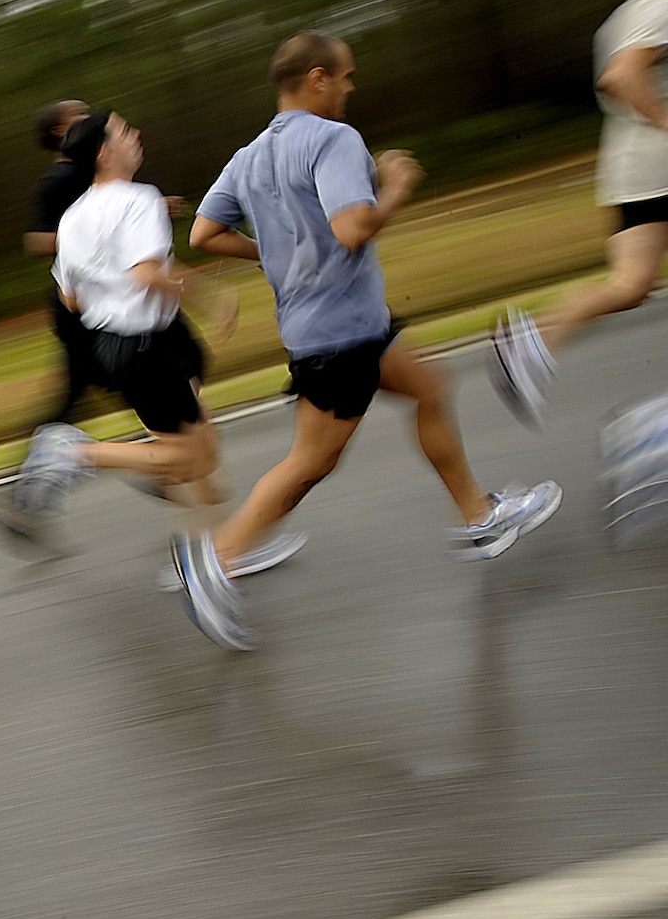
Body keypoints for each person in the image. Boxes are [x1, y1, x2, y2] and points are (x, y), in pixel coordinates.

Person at [187, 32, 561, 649]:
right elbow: (354, 227)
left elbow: (203, 232)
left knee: (431, 385)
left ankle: (478, 517)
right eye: (346, 76)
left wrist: (273, 253)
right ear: (317, 78)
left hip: (350, 326)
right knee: (310, 463)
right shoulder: (334, 139)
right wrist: (393, 188)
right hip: (339, 336)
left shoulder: (248, 156)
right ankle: (215, 563)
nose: (351, 87)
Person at [0, 112, 304, 612]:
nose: (136, 134)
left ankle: (214, 553)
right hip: (146, 349)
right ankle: (74, 454)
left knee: (205, 449)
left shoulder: (74, 217)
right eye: (124, 132)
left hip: (122, 347)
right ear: (104, 152)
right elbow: (146, 273)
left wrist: (132, 295)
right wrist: (197, 291)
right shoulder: (140, 200)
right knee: (191, 458)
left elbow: (70, 299)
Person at [492, 0, 668, 428]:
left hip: (632, 170)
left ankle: (532, 342)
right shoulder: (665, 4)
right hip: (660, 167)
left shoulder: (628, 12)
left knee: (631, 284)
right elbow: (620, 76)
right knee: (631, 282)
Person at [24, 99, 104, 426]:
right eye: (80, 114)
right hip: (78, 301)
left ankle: (166, 457)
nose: (89, 117)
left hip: (102, 293)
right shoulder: (59, 180)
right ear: (61, 130)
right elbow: (38, 240)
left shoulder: (93, 172)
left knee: (78, 391)